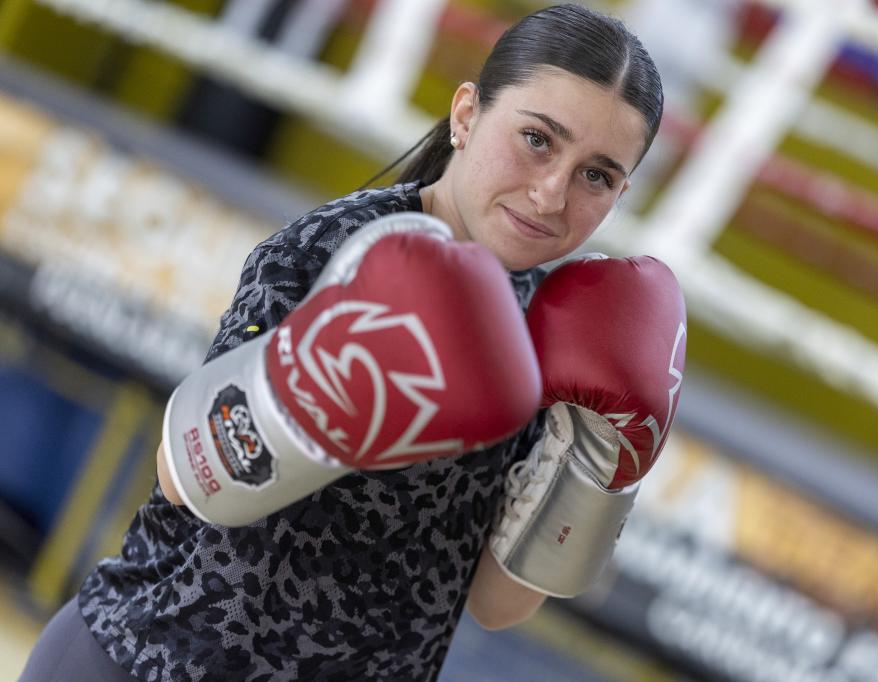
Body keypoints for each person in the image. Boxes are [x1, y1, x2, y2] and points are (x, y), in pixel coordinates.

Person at [20, 4, 668, 681]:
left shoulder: (551, 330)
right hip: (150, 662)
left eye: (598, 175)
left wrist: (597, 469)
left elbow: (497, 604)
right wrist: (317, 395)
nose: (550, 192)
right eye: (538, 139)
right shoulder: (347, 246)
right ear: (467, 114)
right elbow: (185, 478)